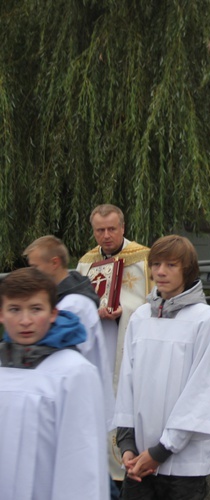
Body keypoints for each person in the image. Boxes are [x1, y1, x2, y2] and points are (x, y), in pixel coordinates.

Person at [115, 235, 210, 498]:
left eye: (171, 265)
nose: (160, 272)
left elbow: (201, 392)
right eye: (155, 264)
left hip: (182, 463)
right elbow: (127, 380)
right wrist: (127, 443)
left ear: (187, 270)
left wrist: (162, 451)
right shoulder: (141, 316)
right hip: (138, 457)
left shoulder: (203, 320)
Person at [0, 268, 108, 499]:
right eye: (15, 309)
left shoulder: (73, 373)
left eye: (36, 309)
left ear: (53, 313)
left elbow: (81, 462)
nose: (25, 320)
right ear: (1, 314)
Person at [76, 203, 150, 483]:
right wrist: (91, 312)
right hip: (99, 345)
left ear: (122, 228)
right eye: (99, 230)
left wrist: (123, 313)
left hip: (128, 342)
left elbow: (151, 302)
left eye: (111, 229)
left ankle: (131, 460)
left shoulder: (143, 258)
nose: (106, 235)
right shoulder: (86, 263)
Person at [24, 235, 115, 429]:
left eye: (35, 268)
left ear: (54, 263)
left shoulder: (73, 305)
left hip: (77, 395)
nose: (32, 274)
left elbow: (57, 353)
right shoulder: (67, 296)